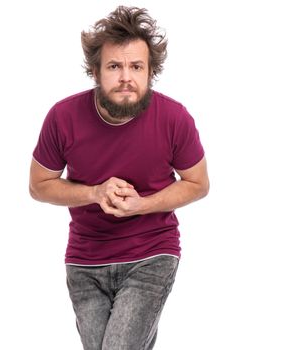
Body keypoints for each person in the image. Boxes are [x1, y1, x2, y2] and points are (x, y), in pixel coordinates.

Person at [29, 6, 209, 350]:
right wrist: (95, 193)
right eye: (114, 66)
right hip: (84, 262)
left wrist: (143, 204)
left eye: (136, 66)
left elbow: (198, 182)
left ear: (150, 71)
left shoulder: (174, 118)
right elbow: (39, 185)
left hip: (151, 255)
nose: (126, 76)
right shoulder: (62, 117)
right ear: (95, 71)